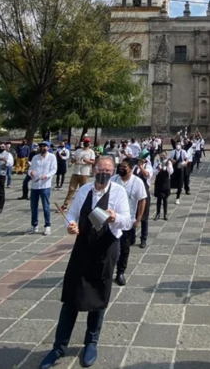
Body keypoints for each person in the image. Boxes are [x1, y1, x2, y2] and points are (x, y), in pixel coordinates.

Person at [39, 157, 131, 369]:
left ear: (112, 172)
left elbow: (127, 221)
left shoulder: (118, 192)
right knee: (70, 298)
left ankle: (91, 342)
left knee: (99, 298)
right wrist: (69, 225)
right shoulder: (85, 190)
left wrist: (115, 217)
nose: (103, 173)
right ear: (93, 169)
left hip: (105, 250)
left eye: (108, 170)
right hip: (82, 249)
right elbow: (71, 214)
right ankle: (58, 347)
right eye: (100, 169)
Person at [111, 160, 146, 286]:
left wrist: (138, 219)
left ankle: (120, 272)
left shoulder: (137, 182)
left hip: (127, 221)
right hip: (112, 220)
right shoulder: (114, 179)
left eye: (124, 167)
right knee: (110, 247)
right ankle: (107, 270)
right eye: (120, 166)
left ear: (131, 168)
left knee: (124, 248)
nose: (121, 168)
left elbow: (142, 200)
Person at [26, 141, 57, 236]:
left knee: (46, 207)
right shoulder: (35, 157)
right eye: (41, 146)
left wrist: (46, 176)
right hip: (35, 185)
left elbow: (54, 169)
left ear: (48, 148)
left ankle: (47, 226)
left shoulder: (52, 157)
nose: (43, 148)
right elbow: (30, 169)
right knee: (33, 207)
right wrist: (31, 172)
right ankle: (34, 225)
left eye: (45, 146)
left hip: (45, 185)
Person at [60, 138, 95, 212]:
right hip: (76, 172)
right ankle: (65, 205)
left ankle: (82, 205)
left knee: (83, 190)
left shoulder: (91, 152)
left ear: (89, 143)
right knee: (71, 189)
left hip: (84, 173)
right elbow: (72, 159)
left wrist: (87, 161)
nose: (86, 143)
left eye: (88, 142)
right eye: (85, 142)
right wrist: (74, 160)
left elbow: (93, 162)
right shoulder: (78, 151)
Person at [133, 152, 153, 249]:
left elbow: (146, 175)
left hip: (144, 195)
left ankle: (143, 238)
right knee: (133, 215)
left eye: (141, 159)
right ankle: (132, 237)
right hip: (134, 195)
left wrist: (141, 166)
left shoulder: (148, 167)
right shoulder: (134, 168)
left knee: (144, 217)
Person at [153, 152, 174, 220]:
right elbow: (153, 172)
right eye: (161, 155)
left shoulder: (168, 162)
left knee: (165, 199)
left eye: (164, 155)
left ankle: (165, 214)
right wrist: (158, 170)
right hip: (159, 182)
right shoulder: (157, 162)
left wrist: (167, 167)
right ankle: (158, 214)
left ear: (166, 156)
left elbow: (171, 172)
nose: (162, 156)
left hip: (166, 182)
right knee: (159, 199)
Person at [169, 141, 189, 205]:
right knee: (172, 181)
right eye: (177, 144)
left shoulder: (183, 152)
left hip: (181, 169)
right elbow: (169, 158)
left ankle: (177, 198)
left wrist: (185, 163)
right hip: (174, 169)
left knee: (180, 183)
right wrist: (172, 160)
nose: (178, 145)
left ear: (181, 145)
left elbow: (187, 158)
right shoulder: (172, 152)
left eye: (179, 144)